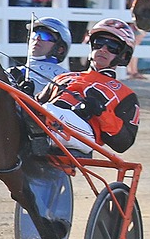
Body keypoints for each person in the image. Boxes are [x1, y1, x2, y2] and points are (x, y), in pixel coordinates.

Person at [37, 17, 140, 153]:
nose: (103, 49)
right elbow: (36, 104)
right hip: (50, 117)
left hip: (83, 134)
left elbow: (123, 143)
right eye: (99, 43)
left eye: (112, 47)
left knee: (49, 112)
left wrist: (101, 112)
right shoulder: (65, 77)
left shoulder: (126, 95)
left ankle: (38, 133)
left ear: (124, 55)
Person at [11, 17, 72, 97]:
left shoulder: (66, 77)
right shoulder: (14, 72)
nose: (37, 38)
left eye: (45, 36)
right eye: (34, 35)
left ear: (60, 49)